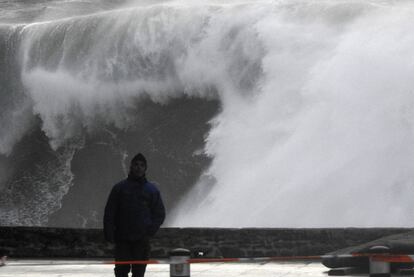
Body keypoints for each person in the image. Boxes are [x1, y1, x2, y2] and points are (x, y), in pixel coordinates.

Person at [104, 153, 165, 277]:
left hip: (141, 240)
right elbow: (110, 212)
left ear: (145, 168)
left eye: (142, 165)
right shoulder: (119, 188)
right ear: (131, 166)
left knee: (139, 273)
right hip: (122, 239)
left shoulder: (151, 190)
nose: (138, 167)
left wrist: (150, 231)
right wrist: (109, 233)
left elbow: (159, 213)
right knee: (121, 272)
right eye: (136, 164)